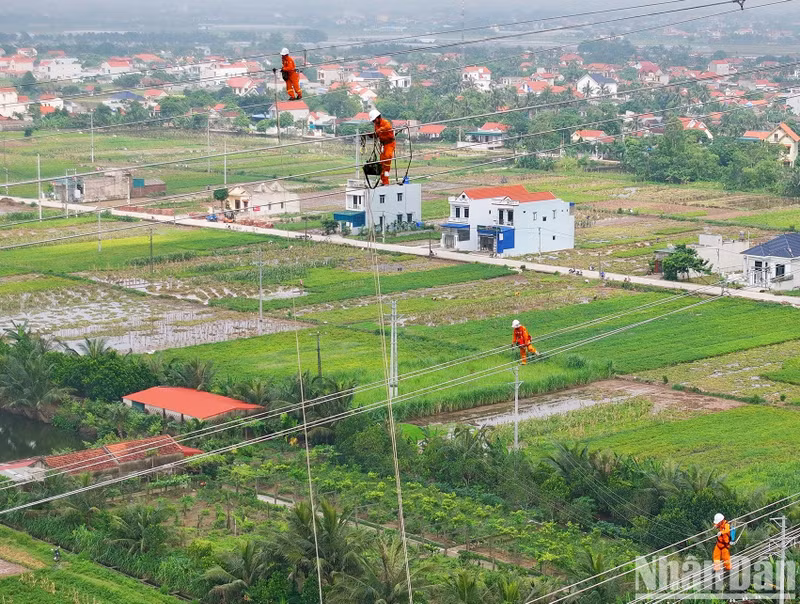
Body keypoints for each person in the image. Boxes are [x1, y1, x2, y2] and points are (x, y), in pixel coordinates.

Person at [367, 109, 395, 186]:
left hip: (389, 144)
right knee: (382, 163)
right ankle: (383, 181)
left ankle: (386, 181)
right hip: (382, 145)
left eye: (374, 120)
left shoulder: (385, 122)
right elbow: (376, 135)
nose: (374, 122)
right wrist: (371, 135)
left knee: (387, 160)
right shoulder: (376, 125)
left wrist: (380, 129)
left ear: (378, 117)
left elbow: (388, 127)